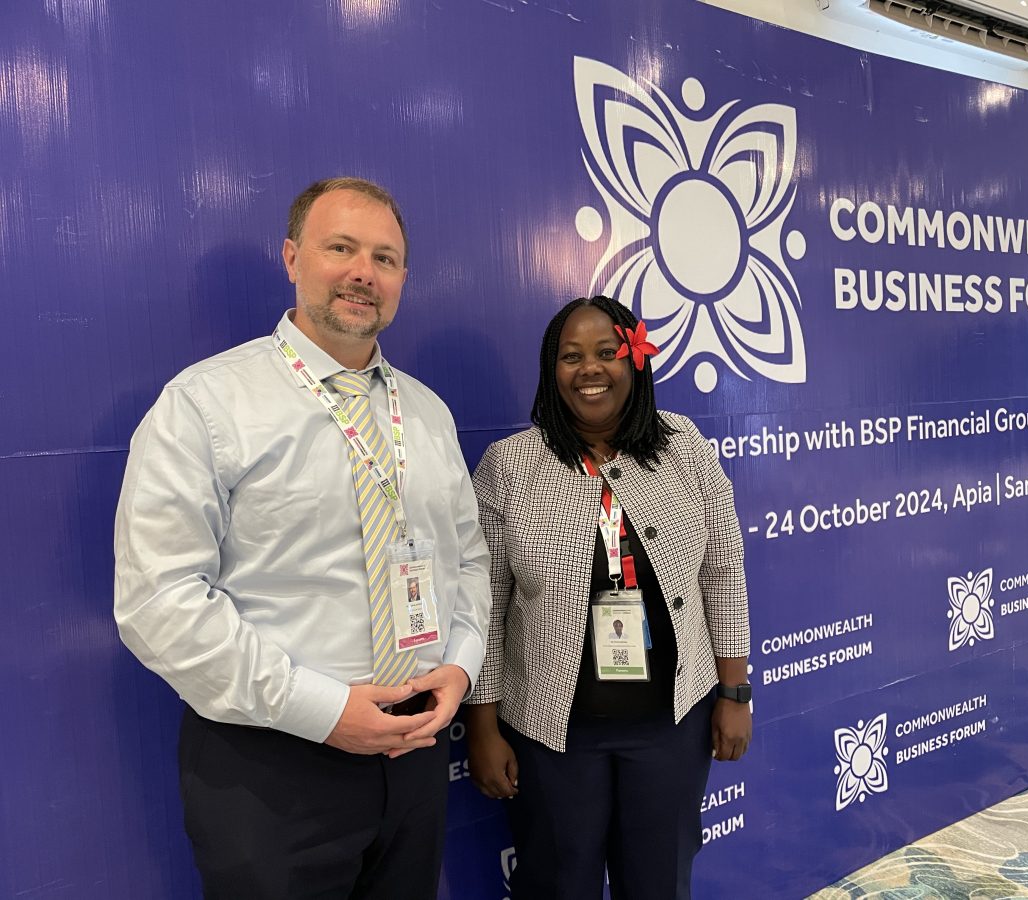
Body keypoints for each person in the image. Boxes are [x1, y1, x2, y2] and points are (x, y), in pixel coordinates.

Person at [114, 177, 490, 900]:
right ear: (292, 257)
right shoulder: (206, 404)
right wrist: (322, 711)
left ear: (403, 280)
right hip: (272, 767)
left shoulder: (429, 413)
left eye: (385, 258)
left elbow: (468, 560)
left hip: (414, 755)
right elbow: (157, 601)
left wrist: (462, 664)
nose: (363, 272)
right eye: (340, 248)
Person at [464, 295, 751, 900]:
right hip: (550, 732)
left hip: (671, 724)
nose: (589, 369)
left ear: (634, 361)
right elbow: (486, 606)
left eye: (605, 353)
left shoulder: (685, 448)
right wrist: (484, 727)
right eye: (571, 357)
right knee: (557, 883)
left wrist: (734, 693)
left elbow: (723, 573)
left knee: (658, 884)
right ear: (551, 369)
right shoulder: (508, 465)